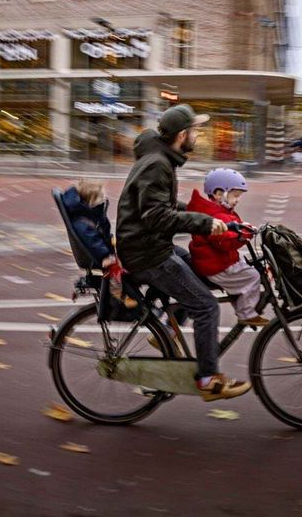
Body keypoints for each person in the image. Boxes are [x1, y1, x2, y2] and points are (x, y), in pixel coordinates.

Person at [116, 104, 251, 402]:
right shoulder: (157, 164)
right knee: (207, 307)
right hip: (147, 254)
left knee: (203, 273)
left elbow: (161, 209)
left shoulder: (161, 158)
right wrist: (204, 223)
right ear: (182, 135)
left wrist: (204, 213)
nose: (198, 135)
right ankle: (208, 380)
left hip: (151, 245)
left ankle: (166, 327)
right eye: (196, 131)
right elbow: (155, 217)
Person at [186, 169, 269, 326]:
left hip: (215, 262)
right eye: (235, 195)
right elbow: (224, 242)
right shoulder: (217, 216)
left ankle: (240, 299)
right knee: (253, 276)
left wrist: (241, 228)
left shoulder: (217, 211)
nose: (237, 200)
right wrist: (243, 235)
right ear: (219, 194)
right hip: (217, 266)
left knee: (244, 270)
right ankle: (246, 313)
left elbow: (229, 229)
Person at [62, 179, 136, 309]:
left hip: (106, 251)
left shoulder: (92, 215)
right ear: (91, 200)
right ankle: (119, 296)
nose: (104, 198)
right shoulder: (84, 221)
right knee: (116, 272)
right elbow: (93, 242)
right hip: (103, 258)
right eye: (101, 196)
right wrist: (106, 255)